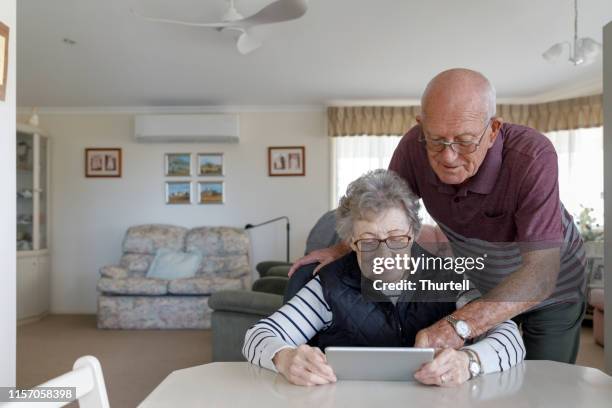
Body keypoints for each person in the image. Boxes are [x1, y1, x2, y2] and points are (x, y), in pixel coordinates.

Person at [288, 68, 586, 363]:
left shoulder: (532, 157)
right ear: (421, 127)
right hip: (485, 287)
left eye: (465, 141)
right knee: (487, 378)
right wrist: (341, 248)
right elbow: (380, 208)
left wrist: (457, 326)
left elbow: (541, 275)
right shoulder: (413, 148)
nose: (448, 157)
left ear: (493, 129)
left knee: (545, 383)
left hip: (551, 290)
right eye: (436, 140)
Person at [244, 170, 524, 387]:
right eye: (368, 241)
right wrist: (284, 357)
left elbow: (511, 340)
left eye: (397, 238)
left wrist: (469, 362)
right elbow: (258, 336)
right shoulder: (328, 284)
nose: (384, 252)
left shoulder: (447, 277)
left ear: (414, 234)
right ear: (351, 243)